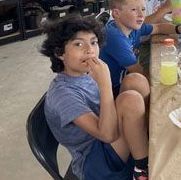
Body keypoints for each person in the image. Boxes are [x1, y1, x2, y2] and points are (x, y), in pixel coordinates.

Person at [40, 14, 150, 180]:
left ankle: (146, 138)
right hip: (96, 163)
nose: (89, 50)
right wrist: (105, 83)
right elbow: (108, 135)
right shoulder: (63, 94)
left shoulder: (84, 73)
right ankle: (142, 170)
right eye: (78, 44)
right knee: (130, 100)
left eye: (93, 42)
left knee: (136, 80)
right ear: (59, 53)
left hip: (107, 142)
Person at [99, 0, 181, 95]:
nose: (141, 15)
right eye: (134, 10)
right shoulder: (115, 37)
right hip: (111, 90)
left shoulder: (130, 26)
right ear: (116, 14)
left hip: (125, 80)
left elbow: (159, 28)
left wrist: (180, 29)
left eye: (143, 9)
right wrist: (161, 86)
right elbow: (137, 70)